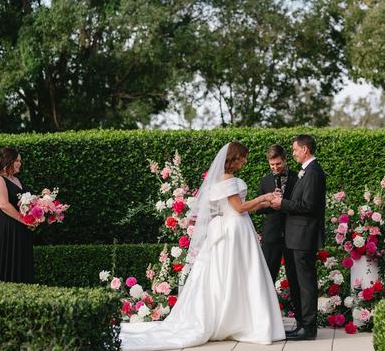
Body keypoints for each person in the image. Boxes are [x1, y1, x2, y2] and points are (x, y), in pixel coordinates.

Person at [120, 142, 285, 350]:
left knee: (235, 273)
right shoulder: (228, 179)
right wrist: (263, 197)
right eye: (243, 157)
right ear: (233, 158)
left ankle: (238, 318)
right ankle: (238, 321)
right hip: (234, 229)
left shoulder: (220, 179)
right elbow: (239, 207)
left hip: (235, 225)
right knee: (239, 273)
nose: (245, 160)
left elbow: (236, 209)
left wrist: (265, 202)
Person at [270, 134, 326, 341]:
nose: (292, 153)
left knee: (306, 283)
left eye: (294, 149)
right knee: (300, 282)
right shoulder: (307, 171)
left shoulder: (313, 173)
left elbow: (308, 206)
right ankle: (303, 324)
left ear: (304, 149)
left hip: (304, 236)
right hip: (297, 236)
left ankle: (308, 328)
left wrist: (282, 204)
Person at [0, 147, 34, 283]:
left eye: (20, 161)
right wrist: (25, 221)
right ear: (8, 161)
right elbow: (4, 205)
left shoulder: (17, 180)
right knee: (5, 263)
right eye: (17, 160)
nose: (20, 163)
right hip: (4, 228)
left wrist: (44, 199)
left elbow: (28, 201)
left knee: (20, 264)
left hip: (20, 229)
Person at [255, 144, 298, 283]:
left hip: (292, 235)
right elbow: (258, 209)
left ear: (285, 160)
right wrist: (270, 202)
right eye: (271, 165)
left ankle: (296, 305)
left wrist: (284, 202)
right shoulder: (265, 180)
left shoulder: (297, 178)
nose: (275, 167)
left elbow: (300, 205)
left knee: (295, 277)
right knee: (267, 277)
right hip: (271, 236)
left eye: (278, 163)